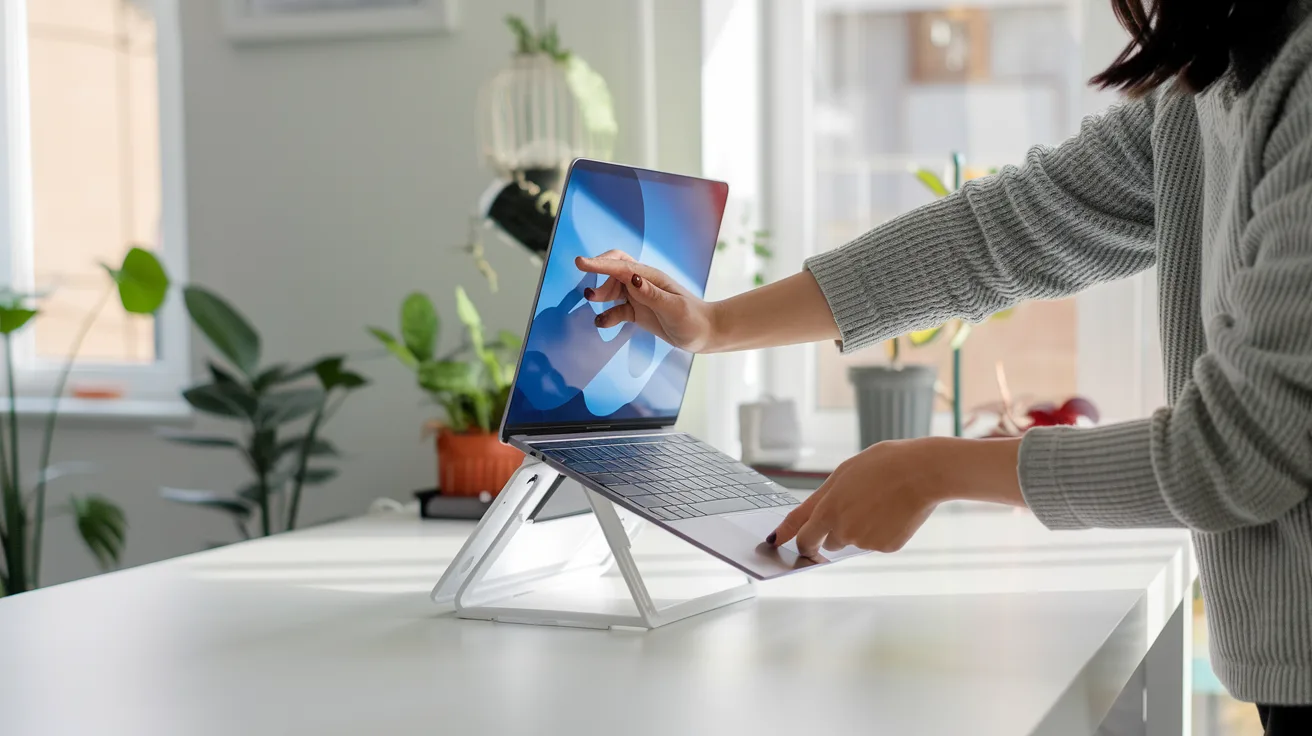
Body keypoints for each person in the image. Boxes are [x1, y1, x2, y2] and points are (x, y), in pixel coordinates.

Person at [575, 0, 1312, 732]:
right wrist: (715, 324)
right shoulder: (1205, 83)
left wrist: (933, 471)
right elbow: (1000, 232)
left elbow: (1239, 449)